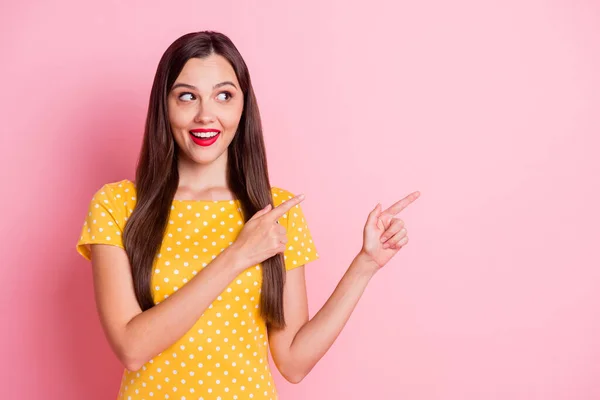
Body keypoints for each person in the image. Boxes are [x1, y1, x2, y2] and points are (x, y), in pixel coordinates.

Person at [76, 31, 420, 400]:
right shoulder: (118, 205)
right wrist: (237, 256)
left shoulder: (275, 212)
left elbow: (293, 362)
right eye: (187, 96)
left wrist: (365, 264)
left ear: (243, 106)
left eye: (224, 95)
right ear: (165, 105)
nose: (206, 114)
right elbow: (132, 348)